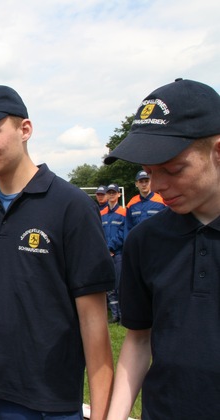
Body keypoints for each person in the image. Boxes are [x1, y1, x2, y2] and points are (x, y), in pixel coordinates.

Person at [0, 85, 115, 419]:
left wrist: (101, 414)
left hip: (49, 402)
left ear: (25, 130)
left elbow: (95, 326)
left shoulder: (72, 206)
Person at [104, 78, 220, 419]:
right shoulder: (145, 240)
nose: (157, 186)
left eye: (172, 169)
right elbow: (138, 341)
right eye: (150, 173)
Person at [101, 183, 126, 324]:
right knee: (109, 287)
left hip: (118, 254)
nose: (111, 195)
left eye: (113, 192)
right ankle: (115, 314)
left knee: (120, 285)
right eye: (109, 192)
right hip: (106, 254)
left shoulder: (124, 212)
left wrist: (110, 247)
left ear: (118, 194)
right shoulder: (102, 214)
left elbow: (123, 233)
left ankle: (123, 315)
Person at [125, 170, 166, 235]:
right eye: (141, 182)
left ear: (151, 182)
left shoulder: (162, 201)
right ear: (136, 184)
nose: (144, 184)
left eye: (146, 181)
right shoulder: (131, 204)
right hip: (137, 243)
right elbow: (127, 228)